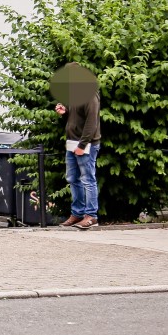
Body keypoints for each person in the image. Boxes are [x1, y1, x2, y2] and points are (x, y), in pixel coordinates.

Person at [55, 74, 101, 231]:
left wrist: (82, 144)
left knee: (88, 179)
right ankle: (78, 213)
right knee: (73, 178)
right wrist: (65, 113)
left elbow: (91, 122)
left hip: (85, 145)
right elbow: (76, 118)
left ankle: (91, 216)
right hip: (72, 143)